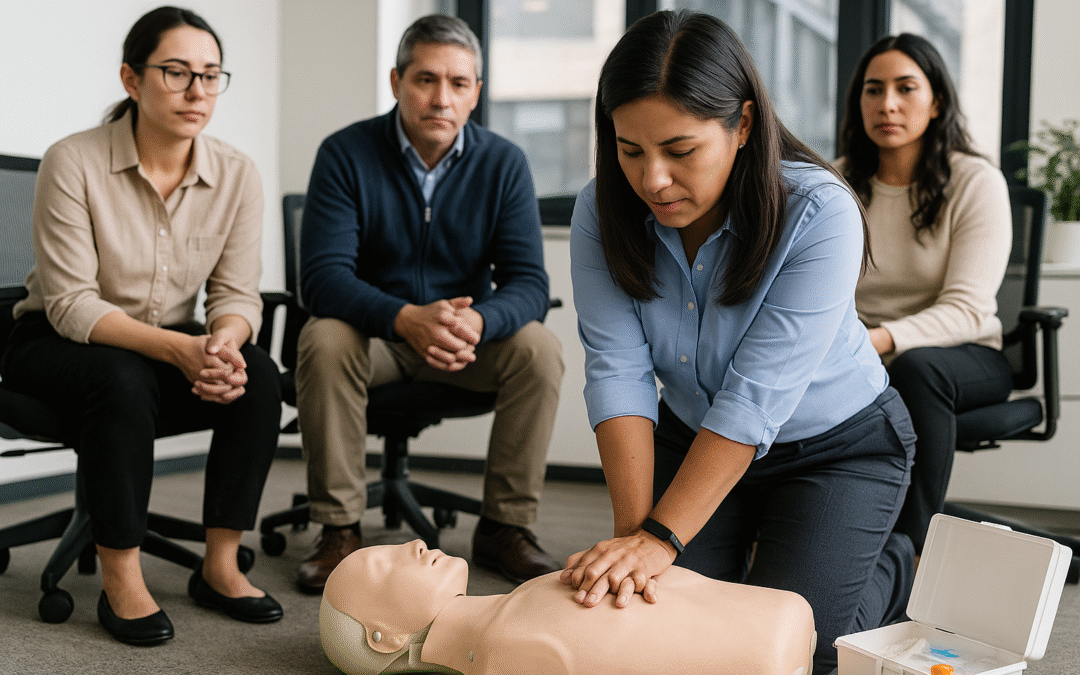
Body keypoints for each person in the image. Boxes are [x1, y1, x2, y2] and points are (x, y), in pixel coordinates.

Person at [565, 11, 917, 674]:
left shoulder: (820, 212)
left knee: (790, 652)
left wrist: (662, 537)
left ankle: (892, 560)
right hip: (693, 438)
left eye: (680, 149)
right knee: (661, 630)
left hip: (836, 449)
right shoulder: (601, 209)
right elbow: (618, 372)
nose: (653, 180)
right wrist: (635, 547)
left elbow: (753, 400)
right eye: (630, 150)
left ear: (744, 125)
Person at [0, 6, 283, 645]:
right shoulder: (72, 161)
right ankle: (122, 575)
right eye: (177, 73)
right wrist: (181, 351)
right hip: (51, 339)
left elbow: (238, 295)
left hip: (167, 345)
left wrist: (221, 346)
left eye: (211, 76)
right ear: (132, 79)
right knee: (123, 379)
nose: (197, 92)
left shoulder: (236, 174)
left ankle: (219, 565)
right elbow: (71, 303)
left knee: (258, 375)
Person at [294, 14, 565, 594]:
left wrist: (477, 319)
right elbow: (321, 279)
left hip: (466, 341)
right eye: (425, 80)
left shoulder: (504, 163)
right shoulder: (345, 154)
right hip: (379, 339)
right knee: (323, 335)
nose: (442, 98)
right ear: (396, 82)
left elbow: (529, 284)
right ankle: (338, 528)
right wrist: (405, 319)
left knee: (540, 349)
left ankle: (504, 527)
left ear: (476, 94)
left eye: (458, 84)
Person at [837, 34, 1013, 556]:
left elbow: (967, 309)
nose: (886, 103)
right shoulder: (839, 182)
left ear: (936, 102)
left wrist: (880, 340)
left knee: (918, 370)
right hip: (861, 348)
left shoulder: (975, 182)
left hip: (965, 356)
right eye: (873, 90)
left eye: (905, 88)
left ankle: (910, 553)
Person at [319, 540, 818, 675]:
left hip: (772, 623)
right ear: (383, 638)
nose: (411, 544)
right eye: (383, 566)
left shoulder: (509, 613)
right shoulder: (502, 650)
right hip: (769, 645)